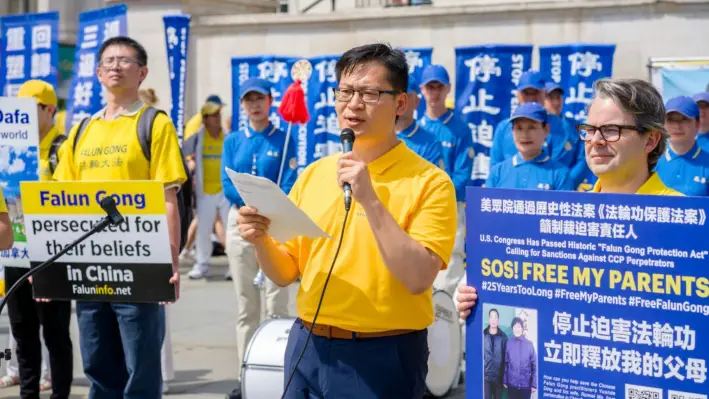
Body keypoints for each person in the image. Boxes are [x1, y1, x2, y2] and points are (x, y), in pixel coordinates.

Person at [236, 43, 457, 399]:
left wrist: (370, 198)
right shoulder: (314, 174)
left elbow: (418, 278)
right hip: (307, 343)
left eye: (369, 93)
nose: (353, 104)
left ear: (400, 103)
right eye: (345, 91)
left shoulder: (429, 182)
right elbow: (285, 272)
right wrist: (260, 239)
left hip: (381, 353)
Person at [456, 78, 681, 320]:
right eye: (590, 130)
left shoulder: (683, 223)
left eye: (611, 130)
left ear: (650, 140)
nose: (595, 141)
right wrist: (482, 297)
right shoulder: (567, 218)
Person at [53, 36, 186, 398]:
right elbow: (63, 203)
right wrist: (53, 269)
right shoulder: (81, 130)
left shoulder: (154, 124)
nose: (115, 65)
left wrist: (171, 261)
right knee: (97, 362)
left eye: (125, 60)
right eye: (108, 60)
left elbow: (167, 197)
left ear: (142, 72)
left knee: (140, 366)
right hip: (90, 265)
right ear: (97, 72)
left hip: (139, 265)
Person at [221, 77, 294, 399]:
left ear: (270, 101)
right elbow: (226, 182)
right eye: (248, 99)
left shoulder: (283, 138)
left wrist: (269, 207)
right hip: (240, 223)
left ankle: (276, 370)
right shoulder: (234, 140)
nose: (254, 104)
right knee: (245, 306)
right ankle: (246, 373)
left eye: (259, 98)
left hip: (274, 225)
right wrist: (248, 205)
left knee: (276, 303)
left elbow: (290, 178)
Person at [2, 80, 74, 399]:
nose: (25, 117)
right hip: (16, 254)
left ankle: (59, 395)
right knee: (22, 333)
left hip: (51, 259)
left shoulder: (64, 148)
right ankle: (28, 394)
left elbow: (70, 204)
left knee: (56, 335)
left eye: (32, 110)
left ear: (50, 111)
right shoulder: (10, 151)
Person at [419, 64, 473, 295]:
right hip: (418, 206)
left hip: (450, 204)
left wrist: (438, 194)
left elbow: (463, 174)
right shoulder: (414, 127)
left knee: (450, 259)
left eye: (439, 87)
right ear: (422, 90)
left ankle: (447, 318)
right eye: (430, 87)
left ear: (448, 89)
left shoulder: (460, 128)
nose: (435, 92)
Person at [490, 71, 585, 189]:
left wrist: (564, 183)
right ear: (518, 94)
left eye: (535, 93)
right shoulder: (504, 128)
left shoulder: (562, 126)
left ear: (544, 93)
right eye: (526, 93)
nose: (530, 98)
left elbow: (581, 160)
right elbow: (495, 164)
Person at [184, 101, 230, 280]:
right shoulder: (197, 138)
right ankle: (201, 265)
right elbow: (184, 153)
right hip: (205, 192)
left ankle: (234, 267)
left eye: (218, 114)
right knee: (203, 230)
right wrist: (190, 162)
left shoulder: (228, 136)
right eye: (213, 115)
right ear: (205, 118)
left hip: (225, 191)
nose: (217, 118)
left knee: (230, 231)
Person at [485, 102, 573, 190]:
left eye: (532, 127)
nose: (525, 135)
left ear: (546, 130)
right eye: (519, 128)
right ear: (512, 131)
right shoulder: (497, 173)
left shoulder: (560, 174)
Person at [653, 96, 709, 196]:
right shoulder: (651, 162)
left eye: (684, 119)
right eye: (670, 119)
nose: (677, 126)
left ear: (697, 124)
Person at [395, 75, 443, 167]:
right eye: (397, 96)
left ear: (417, 102)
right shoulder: (379, 137)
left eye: (406, 96)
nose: (400, 102)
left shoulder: (430, 142)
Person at [504, 317, 537, 399]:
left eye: (519, 326)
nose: (517, 329)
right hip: (512, 384)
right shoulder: (509, 343)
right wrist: (505, 380)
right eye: (515, 327)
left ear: (522, 328)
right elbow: (506, 363)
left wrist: (534, 384)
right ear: (512, 329)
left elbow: (535, 365)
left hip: (525, 386)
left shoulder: (529, 344)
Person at [484, 308, 507, 399]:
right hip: (486, 378)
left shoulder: (503, 337)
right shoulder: (483, 334)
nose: (493, 319)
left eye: (495, 317)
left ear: (498, 320)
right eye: (491, 317)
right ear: (488, 319)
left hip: (499, 378)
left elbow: (506, 359)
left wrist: (505, 378)